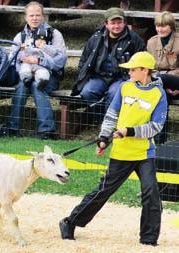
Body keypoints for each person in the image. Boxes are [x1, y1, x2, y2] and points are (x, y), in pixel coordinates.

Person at [59, 52, 167, 247]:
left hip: (144, 153)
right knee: (103, 191)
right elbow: (112, 114)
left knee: (151, 193)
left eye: (133, 69)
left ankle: (149, 239)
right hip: (121, 152)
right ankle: (70, 222)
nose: (129, 72)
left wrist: (130, 131)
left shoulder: (159, 94)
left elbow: (156, 126)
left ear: (145, 71)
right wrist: (104, 137)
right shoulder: (125, 87)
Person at [6, 1, 66, 139]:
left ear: (43, 16)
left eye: (38, 15)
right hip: (26, 73)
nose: (34, 18)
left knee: (37, 85)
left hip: (49, 76)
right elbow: (12, 60)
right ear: (26, 17)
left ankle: (46, 131)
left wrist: (40, 61)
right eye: (31, 15)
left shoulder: (54, 34)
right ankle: (12, 128)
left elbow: (61, 61)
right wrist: (21, 60)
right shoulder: (20, 36)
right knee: (21, 87)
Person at [71, 7, 145, 108]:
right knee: (88, 92)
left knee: (114, 94)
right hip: (99, 77)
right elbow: (84, 59)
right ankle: (99, 116)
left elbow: (142, 62)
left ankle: (109, 121)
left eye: (119, 22)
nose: (116, 26)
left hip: (122, 78)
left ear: (124, 23)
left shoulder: (135, 39)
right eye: (113, 23)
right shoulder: (96, 38)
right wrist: (84, 76)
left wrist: (133, 79)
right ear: (106, 24)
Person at [147, 11, 179, 144]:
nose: (160, 29)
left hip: (176, 81)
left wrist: (167, 79)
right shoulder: (151, 42)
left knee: (160, 80)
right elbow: (149, 68)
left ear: (171, 26)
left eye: (164, 26)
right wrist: (165, 87)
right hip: (161, 85)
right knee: (161, 95)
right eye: (158, 26)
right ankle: (160, 141)